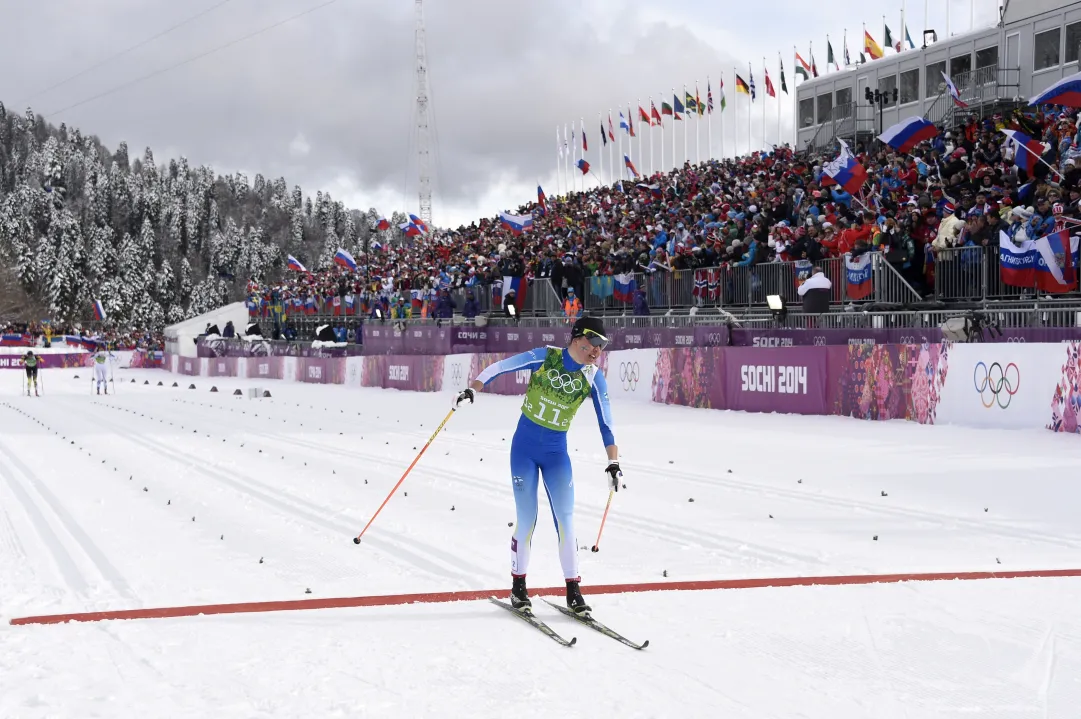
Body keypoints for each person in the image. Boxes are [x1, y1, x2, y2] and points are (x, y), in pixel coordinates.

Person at [453, 316, 621, 616]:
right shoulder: (547, 356)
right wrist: (473, 389)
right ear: (577, 338)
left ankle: (573, 591)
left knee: (566, 521)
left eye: (602, 346)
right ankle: (519, 588)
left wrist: (613, 462)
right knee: (527, 519)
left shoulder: (594, 376)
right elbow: (500, 367)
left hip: (557, 454)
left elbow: (606, 422)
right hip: (524, 451)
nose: (597, 351)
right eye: (593, 343)